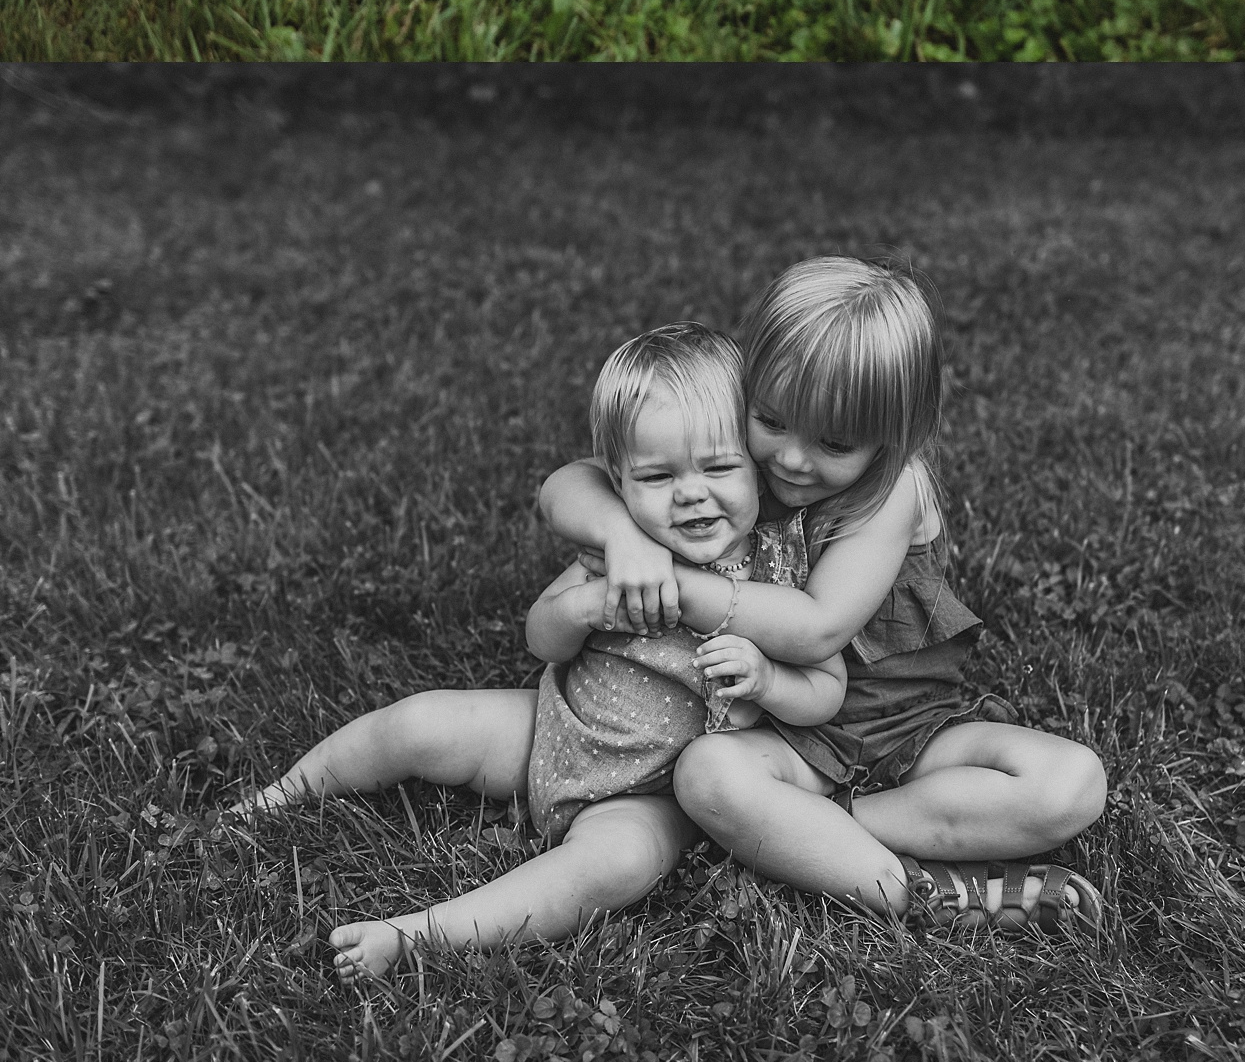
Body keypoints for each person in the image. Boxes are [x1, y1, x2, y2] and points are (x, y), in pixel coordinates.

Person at [235, 325, 844, 982]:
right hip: (551, 730)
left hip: (656, 792)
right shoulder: (621, 548)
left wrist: (767, 679)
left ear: (758, 466)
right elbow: (541, 637)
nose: (690, 493)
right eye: (657, 475)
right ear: (618, 481)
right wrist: (584, 607)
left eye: (719, 467)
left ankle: (418, 934)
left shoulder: (777, 569)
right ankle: (272, 799)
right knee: (418, 722)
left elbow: (826, 687)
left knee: (616, 864)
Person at [540, 259, 1107, 935]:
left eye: (834, 441)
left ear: (895, 436)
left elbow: (815, 630)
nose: (792, 460)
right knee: (706, 775)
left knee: (1074, 781)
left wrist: (673, 581)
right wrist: (617, 532)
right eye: (771, 419)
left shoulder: (893, 492)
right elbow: (569, 481)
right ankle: (917, 891)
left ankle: (821, 835)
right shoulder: (735, 463)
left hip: (912, 734)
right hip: (786, 739)